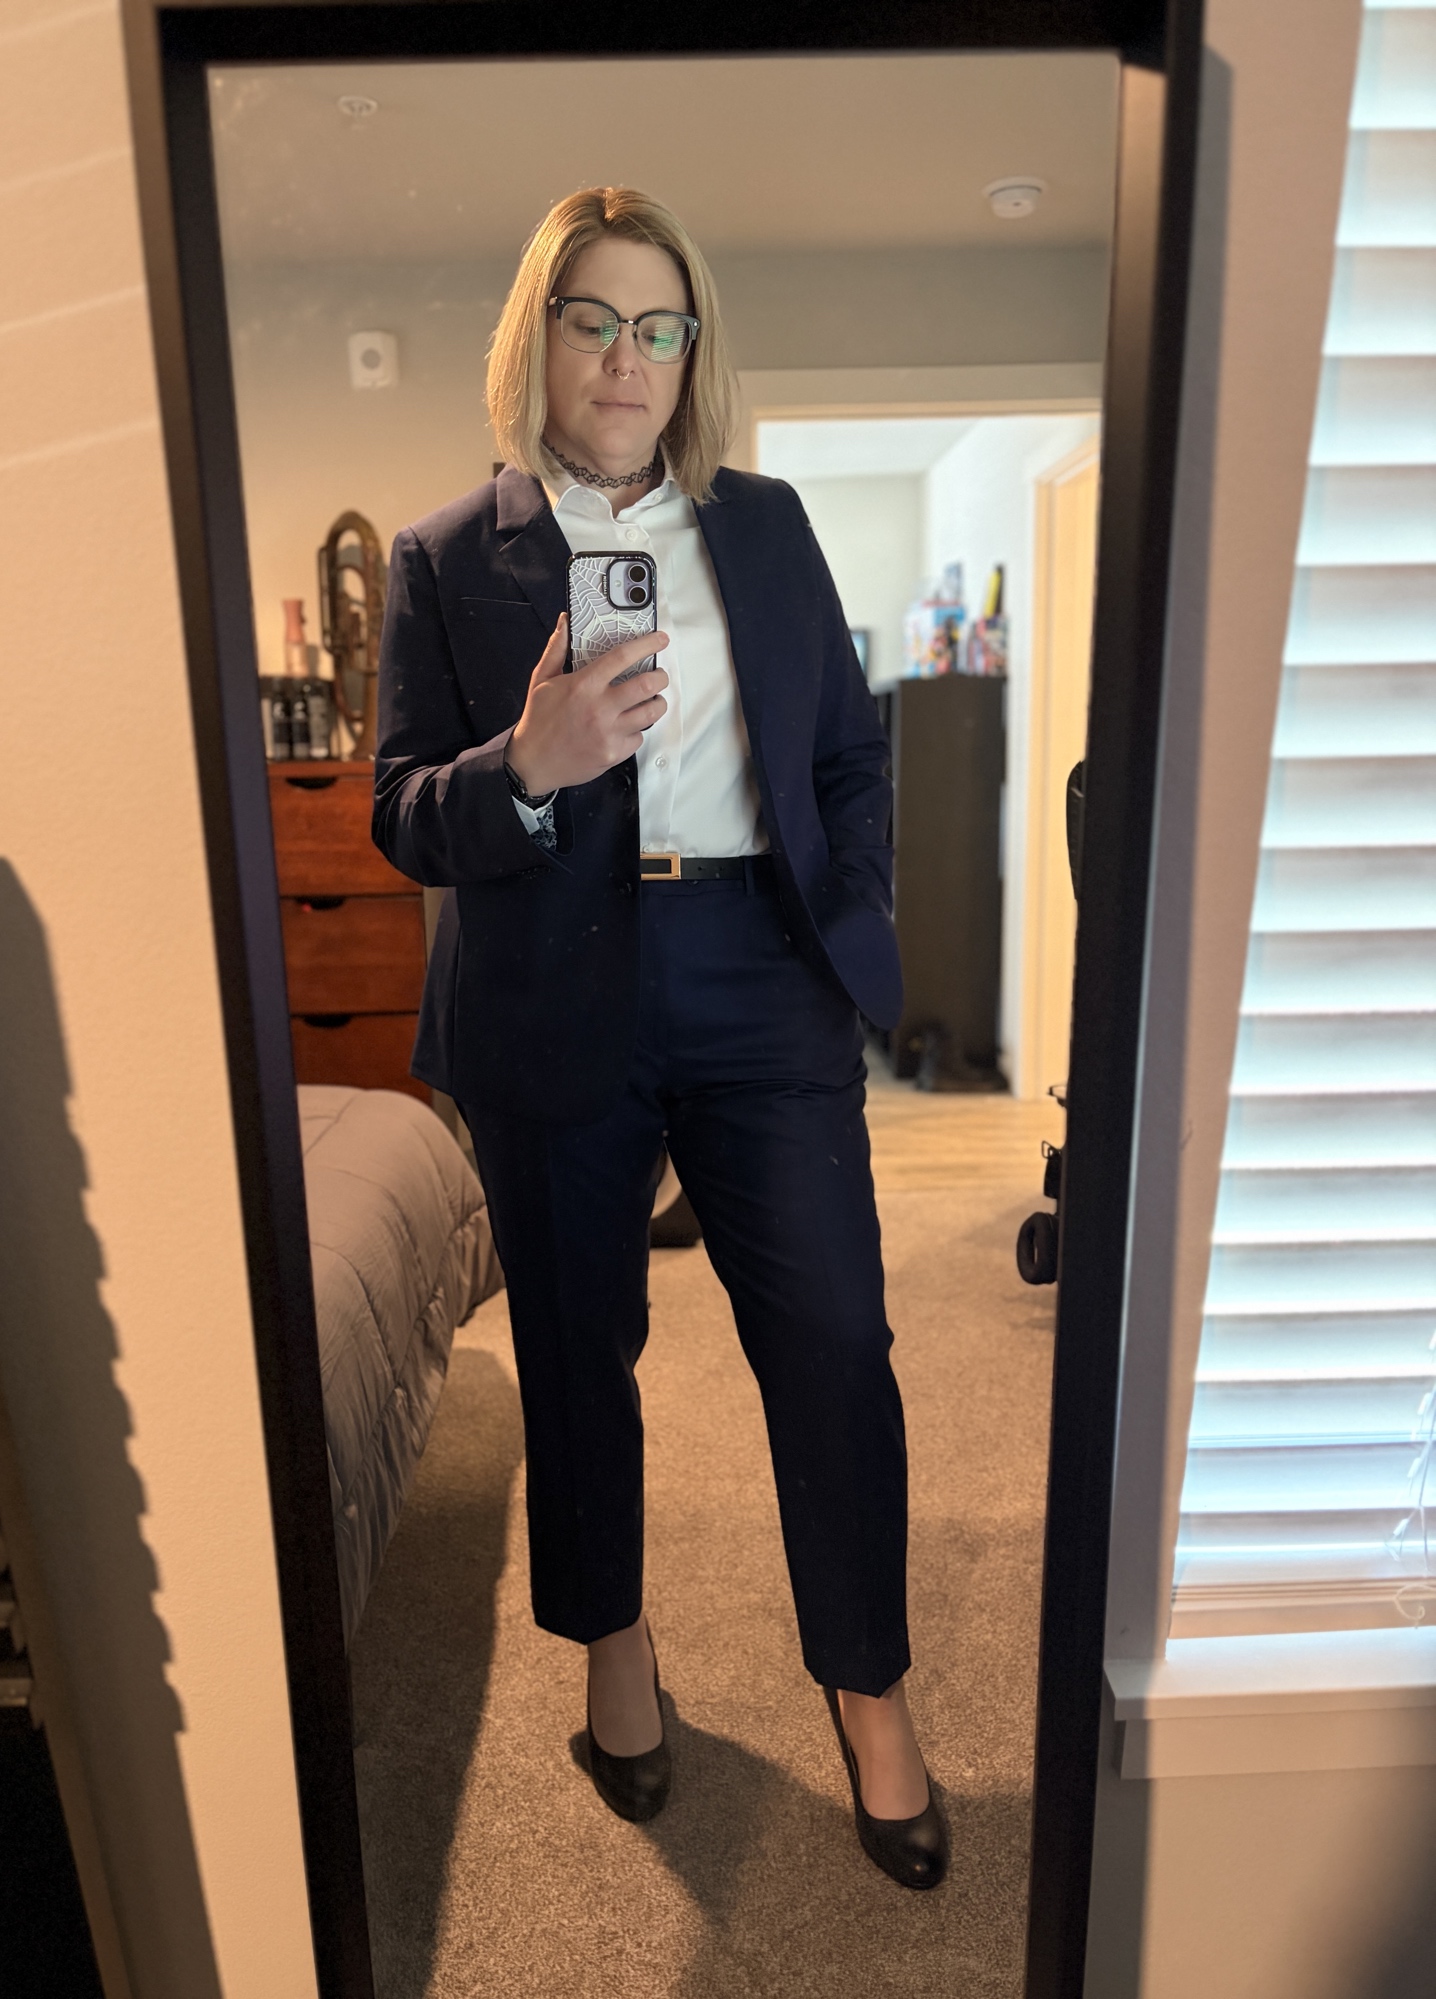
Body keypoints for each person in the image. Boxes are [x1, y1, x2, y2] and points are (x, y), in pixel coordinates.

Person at [373, 186, 948, 1889]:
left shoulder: (762, 525)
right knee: (577, 1345)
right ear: (537, 338)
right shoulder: (442, 556)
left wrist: (849, 901)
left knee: (834, 1337)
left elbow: (847, 748)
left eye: (659, 326)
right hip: (552, 983)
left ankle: (869, 1681)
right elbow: (400, 810)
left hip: (759, 969)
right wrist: (527, 768)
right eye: (592, 320)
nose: (626, 358)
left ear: (691, 354)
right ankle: (612, 1646)